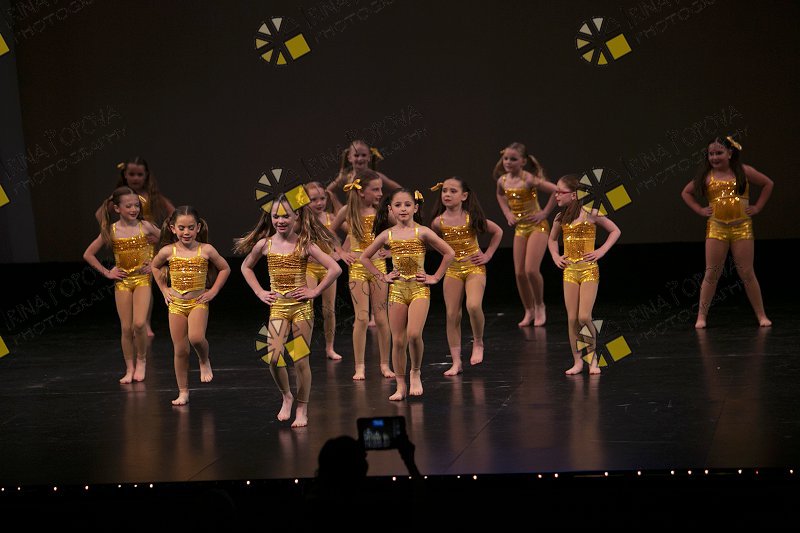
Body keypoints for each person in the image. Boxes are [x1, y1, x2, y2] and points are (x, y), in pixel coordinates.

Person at [236, 192, 341, 427]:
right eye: (276, 216)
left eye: (285, 216)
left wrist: (314, 291)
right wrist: (260, 292)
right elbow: (245, 267)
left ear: (296, 216)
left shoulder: (305, 244)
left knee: (300, 360)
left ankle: (302, 407)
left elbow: (335, 268)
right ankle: (287, 396)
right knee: (273, 357)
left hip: (301, 309)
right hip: (278, 308)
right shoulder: (265, 244)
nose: (280, 220)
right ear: (270, 217)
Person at [361, 188, 454, 400]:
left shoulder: (422, 232)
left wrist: (435, 277)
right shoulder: (388, 234)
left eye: (407, 205)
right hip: (397, 290)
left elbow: (449, 253)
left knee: (413, 334)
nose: (403, 209)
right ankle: (401, 385)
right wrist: (382, 276)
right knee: (398, 341)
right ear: (390, 209)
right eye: (398, 205)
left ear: (415, 208)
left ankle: (416, 372)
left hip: (419, 288)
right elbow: (365, 257)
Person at [680, 135, 773, 328]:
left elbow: (768, 183)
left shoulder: (744, 171)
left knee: (747, 273)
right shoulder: (707, 176)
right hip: (717, 228)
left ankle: (761, 315)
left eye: (719, 153)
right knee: (711, 274)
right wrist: (699, 210)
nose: (714, 157)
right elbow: (686, 192)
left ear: (730, 153)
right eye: (711, 154)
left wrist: (757, 207)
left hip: (742, 228)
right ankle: (701, 317)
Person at [150, 206, 231, 405]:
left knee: (196, 338)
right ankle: (183, 391)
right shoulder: (168, 251)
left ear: (198, 227)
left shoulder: (206, 249)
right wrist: (164, 289)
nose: (186, 232)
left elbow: (225, 268)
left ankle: (204, 359)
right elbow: (154, 266)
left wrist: (213, 291)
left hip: (198, 302)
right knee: (180, 350)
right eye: (181, 228)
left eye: (191, 228)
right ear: (173, 228)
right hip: (176, 304)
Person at [84, 186, 162, 383]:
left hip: (142, 279)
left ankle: (141, 360)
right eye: (129, 206)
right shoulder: (111, 231)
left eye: (136, 205)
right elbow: (88, 254)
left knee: (139, 323)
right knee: (126, 328)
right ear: (117, 208)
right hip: (122, 282)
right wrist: (107, 272)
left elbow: (169, 242)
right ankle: (129, 367)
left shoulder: (145, 226)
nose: (134, 209)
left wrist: (154, 262)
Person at [429, 177, 503, 375]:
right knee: (452, 314)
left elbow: (498, 231)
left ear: (464, 196)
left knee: (473, 305)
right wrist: (447, 257)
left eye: (453, 191)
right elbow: (436, 243)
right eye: (444, 190)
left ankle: (478, 341)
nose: (447, 194)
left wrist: (487, 255)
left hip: (474, 267)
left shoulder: (472, 218)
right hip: (453, 270)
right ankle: (456, 362)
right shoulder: (438, 223)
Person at [548, 175, 621, 375]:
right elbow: (552, 240)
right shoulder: (560, 217)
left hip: (589, 270)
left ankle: (592, 358)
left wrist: (601, 251)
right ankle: (578, 361)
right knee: (572, 319)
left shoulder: (590, 213)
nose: (556, 195)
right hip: (570, 272)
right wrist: (555, 256)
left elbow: (615, 231)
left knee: (584, 316)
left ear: (573, 195)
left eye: (560, 192)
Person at [95, 158, 176, 338]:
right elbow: (100, 214)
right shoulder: (119, 196)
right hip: (128, 241)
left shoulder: (151, 194)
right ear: (124, 175)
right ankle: (133, 321)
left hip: (146, 240)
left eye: (140, 174)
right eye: (132, 174)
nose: (136, 178)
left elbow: (173, 212)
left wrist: (160, 232)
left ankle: (144, 322)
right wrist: (112, 230)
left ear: (146, 175)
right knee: (130, 279)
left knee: (145, 280)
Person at [330, 169, 393, 380]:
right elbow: (329, 232)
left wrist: (391, 251)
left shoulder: (382, 211)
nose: (380, 193)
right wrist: (341, 252)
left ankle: (385, 364)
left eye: (380, 189)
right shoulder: (348, 210)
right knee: (362, 317)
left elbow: (404, 231)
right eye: (375, 189)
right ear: (361, 192)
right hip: (357, 267)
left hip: (378, 268)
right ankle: (359, 366)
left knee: (381, 318)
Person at [495, 142, 557, 327]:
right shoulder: (502, 181)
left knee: (531, 270)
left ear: (523, 161)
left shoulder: (528, 179)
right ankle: (529, 310)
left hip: (537, 226)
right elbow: (500, 195)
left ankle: (539, 305)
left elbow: (556, 190)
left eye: (513, 159)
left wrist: (544, 213)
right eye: (506, 158)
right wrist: (507, 213)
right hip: (520, 228)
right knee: (520, 273)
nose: (508, 162)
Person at [304, 181, 345, 360]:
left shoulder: (331, 218)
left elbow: (352, 232)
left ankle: (330, 348)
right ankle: (300, 349)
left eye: (322, 198)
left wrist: (340, 253)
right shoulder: (301, 220)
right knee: (305, 310)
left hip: (328, 270)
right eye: (313, 199)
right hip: (308, 268)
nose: (319, 203)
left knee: (329, 310)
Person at [325, 139, 402, 213]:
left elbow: (399, 189)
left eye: (364, 155)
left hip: (372, 216)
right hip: (353, 217)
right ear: (349, 158)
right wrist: (339, 207)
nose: (360, 158)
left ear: (369, 157)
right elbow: (328, 191)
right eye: (356, 155)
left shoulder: (376, 176)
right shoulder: (346, 177)